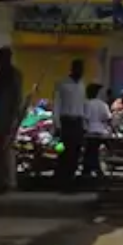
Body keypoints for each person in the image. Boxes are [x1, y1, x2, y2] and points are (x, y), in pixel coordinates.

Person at [0, 48, 22, 194]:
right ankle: (4, 181)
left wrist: (11, 118)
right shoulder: (10, 74)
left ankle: (6, 182)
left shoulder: (8, 75)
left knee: (4, 150)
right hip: (4, 117)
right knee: (3, 150)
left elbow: (8, 98)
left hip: (5, 118)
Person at [53, 60, 87, 193]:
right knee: (64, 152)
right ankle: (62, 181)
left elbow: (82, 105)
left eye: (82, 69)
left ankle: (71, 181)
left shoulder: (82, 85)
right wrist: (57, 124)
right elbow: (57, 104)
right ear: (73, 69)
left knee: (76, 152)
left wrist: (84, 124)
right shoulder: (63, 84)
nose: (81, 71)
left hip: (78, 122)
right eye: (78, 68)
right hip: (66, 122)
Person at [80, 83, 111, 182]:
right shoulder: (103, 105)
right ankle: (90, 170)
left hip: (90, 131)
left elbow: (86, 118)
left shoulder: (87, 104)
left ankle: (92, 170)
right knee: (93, 152)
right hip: (101, 132)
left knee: (90, 151)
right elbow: (108, 118)